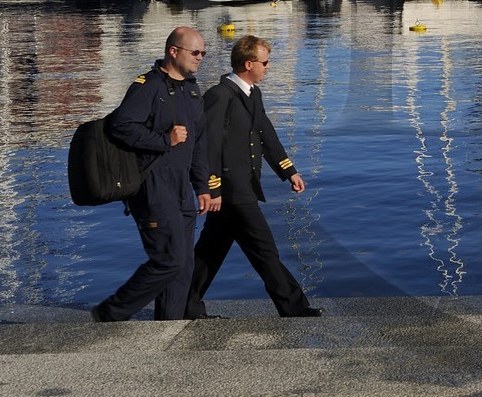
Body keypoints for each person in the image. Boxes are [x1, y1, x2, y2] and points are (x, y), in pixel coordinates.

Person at [186, 34, 321, 319]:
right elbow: (207, 145)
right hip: (232, 191)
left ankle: (183, 305)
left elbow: (266, 134)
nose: (268, 67)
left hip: (243, 187)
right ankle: (294, 307)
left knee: (209, 252)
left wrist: (289, 170)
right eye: (265, 62)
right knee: (264, 249)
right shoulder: (219, 96)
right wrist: (213, 189)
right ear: (249, 64)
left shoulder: (252, 93)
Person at [91, 26, 212, 322]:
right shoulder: (148, 86)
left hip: (182, 187)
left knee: (184, 265)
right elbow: (120, 126)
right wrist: (163, 140)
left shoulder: (192, 90)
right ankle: (112, 311)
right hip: (152, 184)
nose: (200, 58)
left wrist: (203, 186)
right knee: (169, 260)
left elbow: (198, 143)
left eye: (203, 53)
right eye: (195, 52)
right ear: (174, 51)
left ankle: (169, 325)